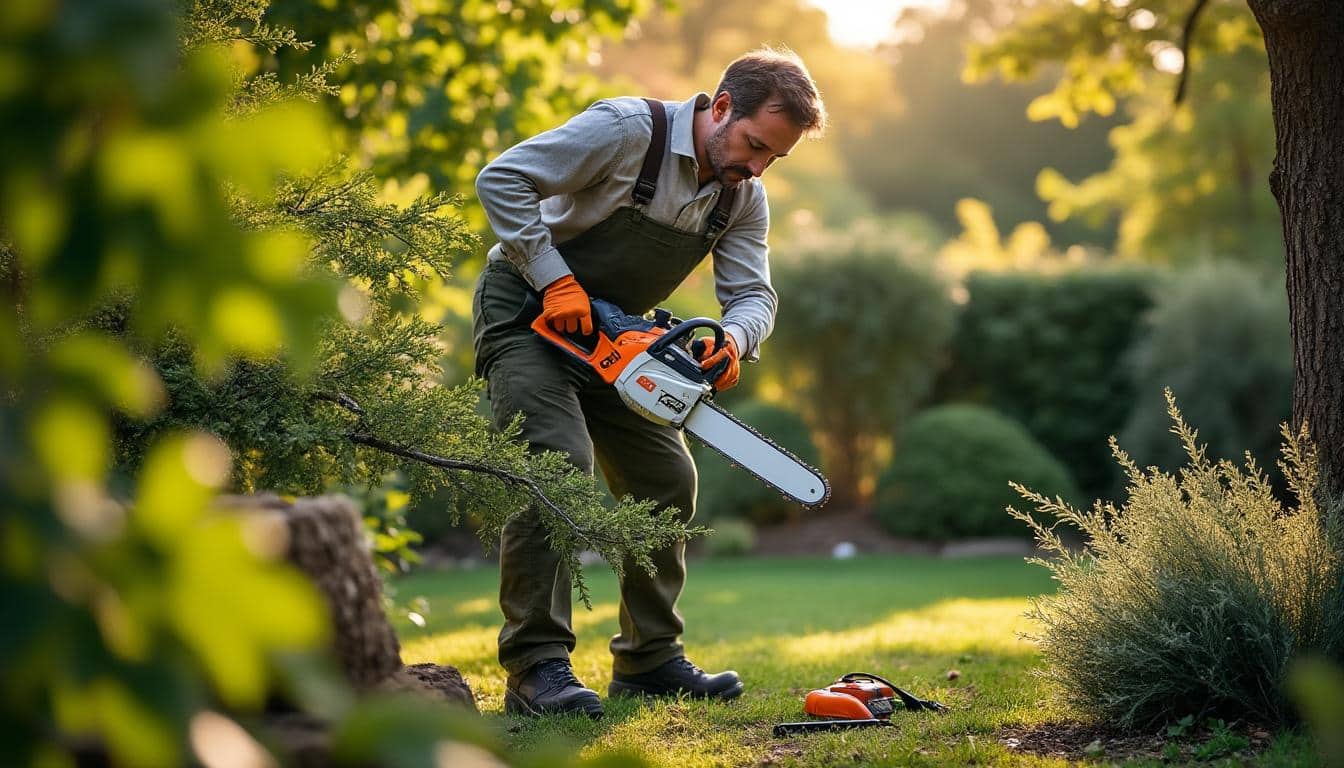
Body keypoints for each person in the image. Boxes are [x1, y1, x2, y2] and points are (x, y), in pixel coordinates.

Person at [472, 47, 826, 718]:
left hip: (615, 342)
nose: (756, 166)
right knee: (556, 462)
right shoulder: (626, 131)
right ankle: (535, 665)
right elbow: (503, 179)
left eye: (773, 158)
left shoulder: (742, 196)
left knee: (668, 480)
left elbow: (754, 295)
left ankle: (649, 660)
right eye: (753, 145)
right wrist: (556, 280)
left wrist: (734, 338)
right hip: (526, 313)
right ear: (721, 107)